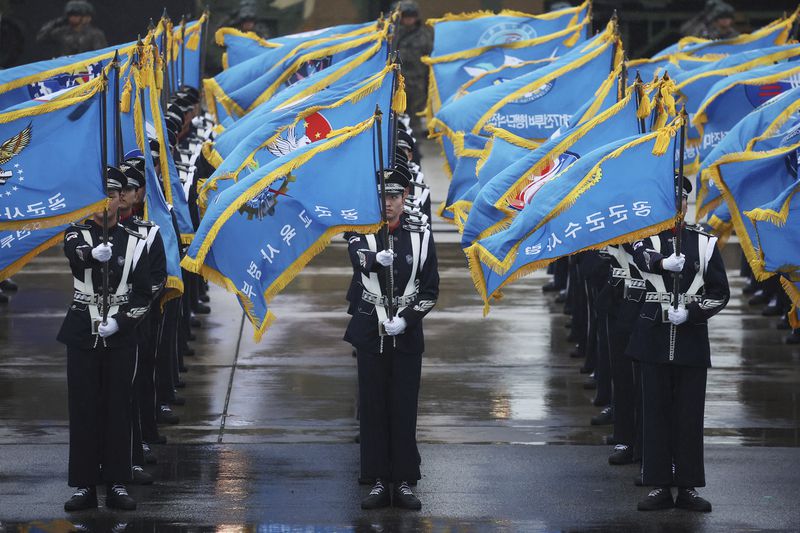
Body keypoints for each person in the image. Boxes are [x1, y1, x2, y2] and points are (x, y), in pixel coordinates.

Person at [627, 177, 729, 513]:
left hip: (690, 338)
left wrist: (693, 313)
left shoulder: (704, 243)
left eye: (682, 201)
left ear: (687, 204)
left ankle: (687, 486)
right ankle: (657, 483)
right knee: (655, 412)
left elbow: (720, 293)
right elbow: (640, 257)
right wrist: (661, 263)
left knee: (688, 415)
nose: (678, 207)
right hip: (653, 336)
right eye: (671, 201)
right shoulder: (646, 238)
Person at [344, 164, 439, 511]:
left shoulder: (421, 235)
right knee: (373, 407)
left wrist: (410, 318)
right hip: (371, 330)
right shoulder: (363, 230)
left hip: (406, 334)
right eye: (383, 196)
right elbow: (356, 256)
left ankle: (403, 479)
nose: (388, 202)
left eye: (395, 196)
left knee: (403, 407)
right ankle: (377, 478)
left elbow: (430, 289)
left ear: (406, 197)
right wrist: (374, 259)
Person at [58, 167, 151, 511]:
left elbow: (144, 292)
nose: (105, 203)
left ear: (119, 200)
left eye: (111, 196)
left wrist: (123, 321)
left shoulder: (135, 238)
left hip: (118, 333)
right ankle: (84, 484)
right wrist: (91, 255)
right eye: (99, 196)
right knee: (83, 408)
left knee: (118, 407)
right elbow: (73, 254)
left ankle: (116, 482)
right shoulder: (77, 232)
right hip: (83, 330)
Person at [394, 1, 433, 136]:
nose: (409, 19)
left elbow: (431, 57)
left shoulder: (424, 35)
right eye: (406, 15)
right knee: (395, 118)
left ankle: (414, 150)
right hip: (395, 84)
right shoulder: (392, 33)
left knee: (414, 120)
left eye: (412, 15)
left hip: (417, 84)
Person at [36, 1, 107, 57]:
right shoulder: (63, 32)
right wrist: (56, 22)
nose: (73, 18)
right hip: (66, 67)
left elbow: (100, 55)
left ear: (86, 17)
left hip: (86, 68)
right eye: (70, 15)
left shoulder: (95, 34)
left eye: (76, 15)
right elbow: (41, 38)